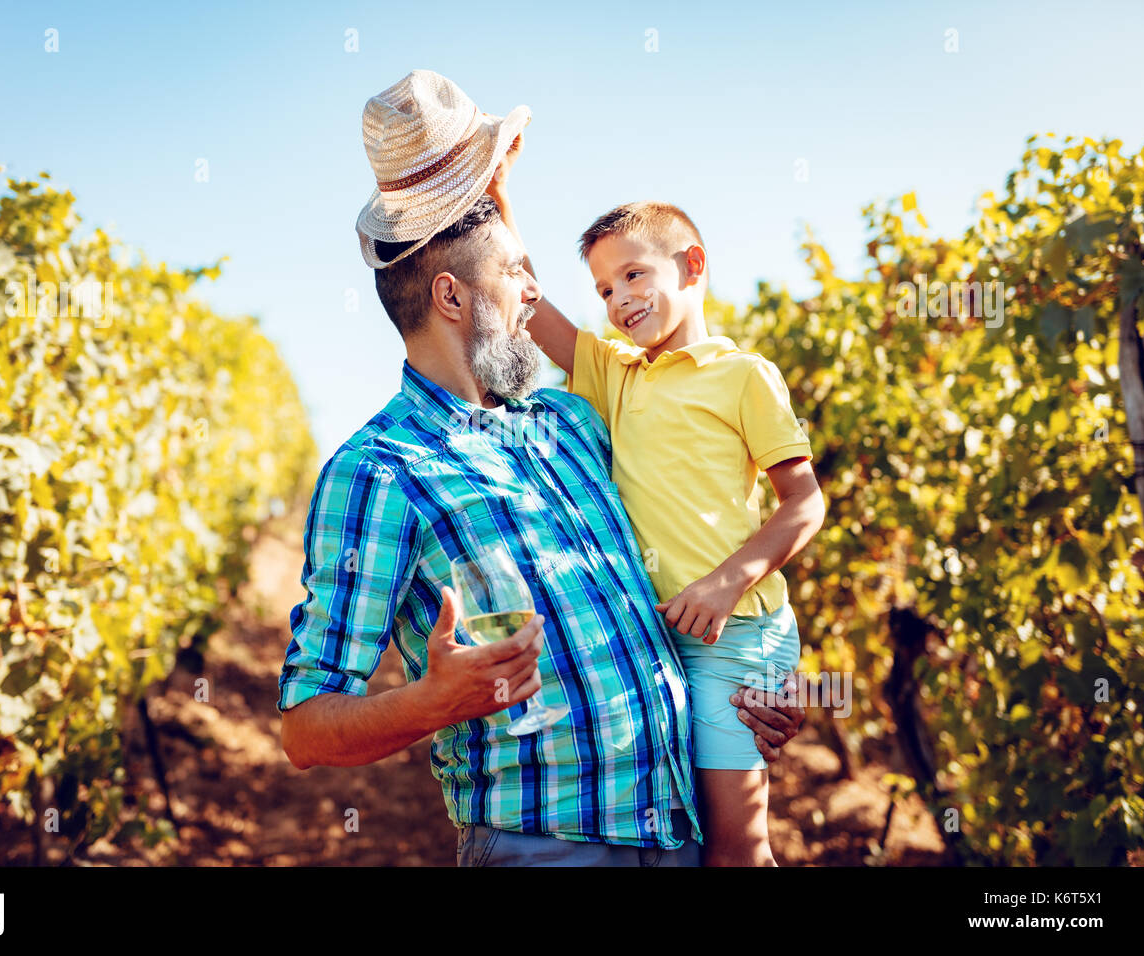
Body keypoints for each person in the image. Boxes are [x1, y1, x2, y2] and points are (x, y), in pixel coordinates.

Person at [277, 69, 806, 866]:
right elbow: (305, 727)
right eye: (518, 276)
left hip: (683, 836)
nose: (537, 297)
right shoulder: (380, 472)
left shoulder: (571, 425)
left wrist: (747, 684)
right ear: (452, 299)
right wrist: (430, 702)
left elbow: (701, 526)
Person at [487, 151, 826, 866]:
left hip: (736, 635)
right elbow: (527, 299)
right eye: (605, 289)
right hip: (659, 636)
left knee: (737, 849)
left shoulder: (742, 375)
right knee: (693, 842)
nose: (619, 300)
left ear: (693, 266)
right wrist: (497, 196)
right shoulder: (615, 375)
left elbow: (804, 502)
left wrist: (726, 583)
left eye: (634, 275)